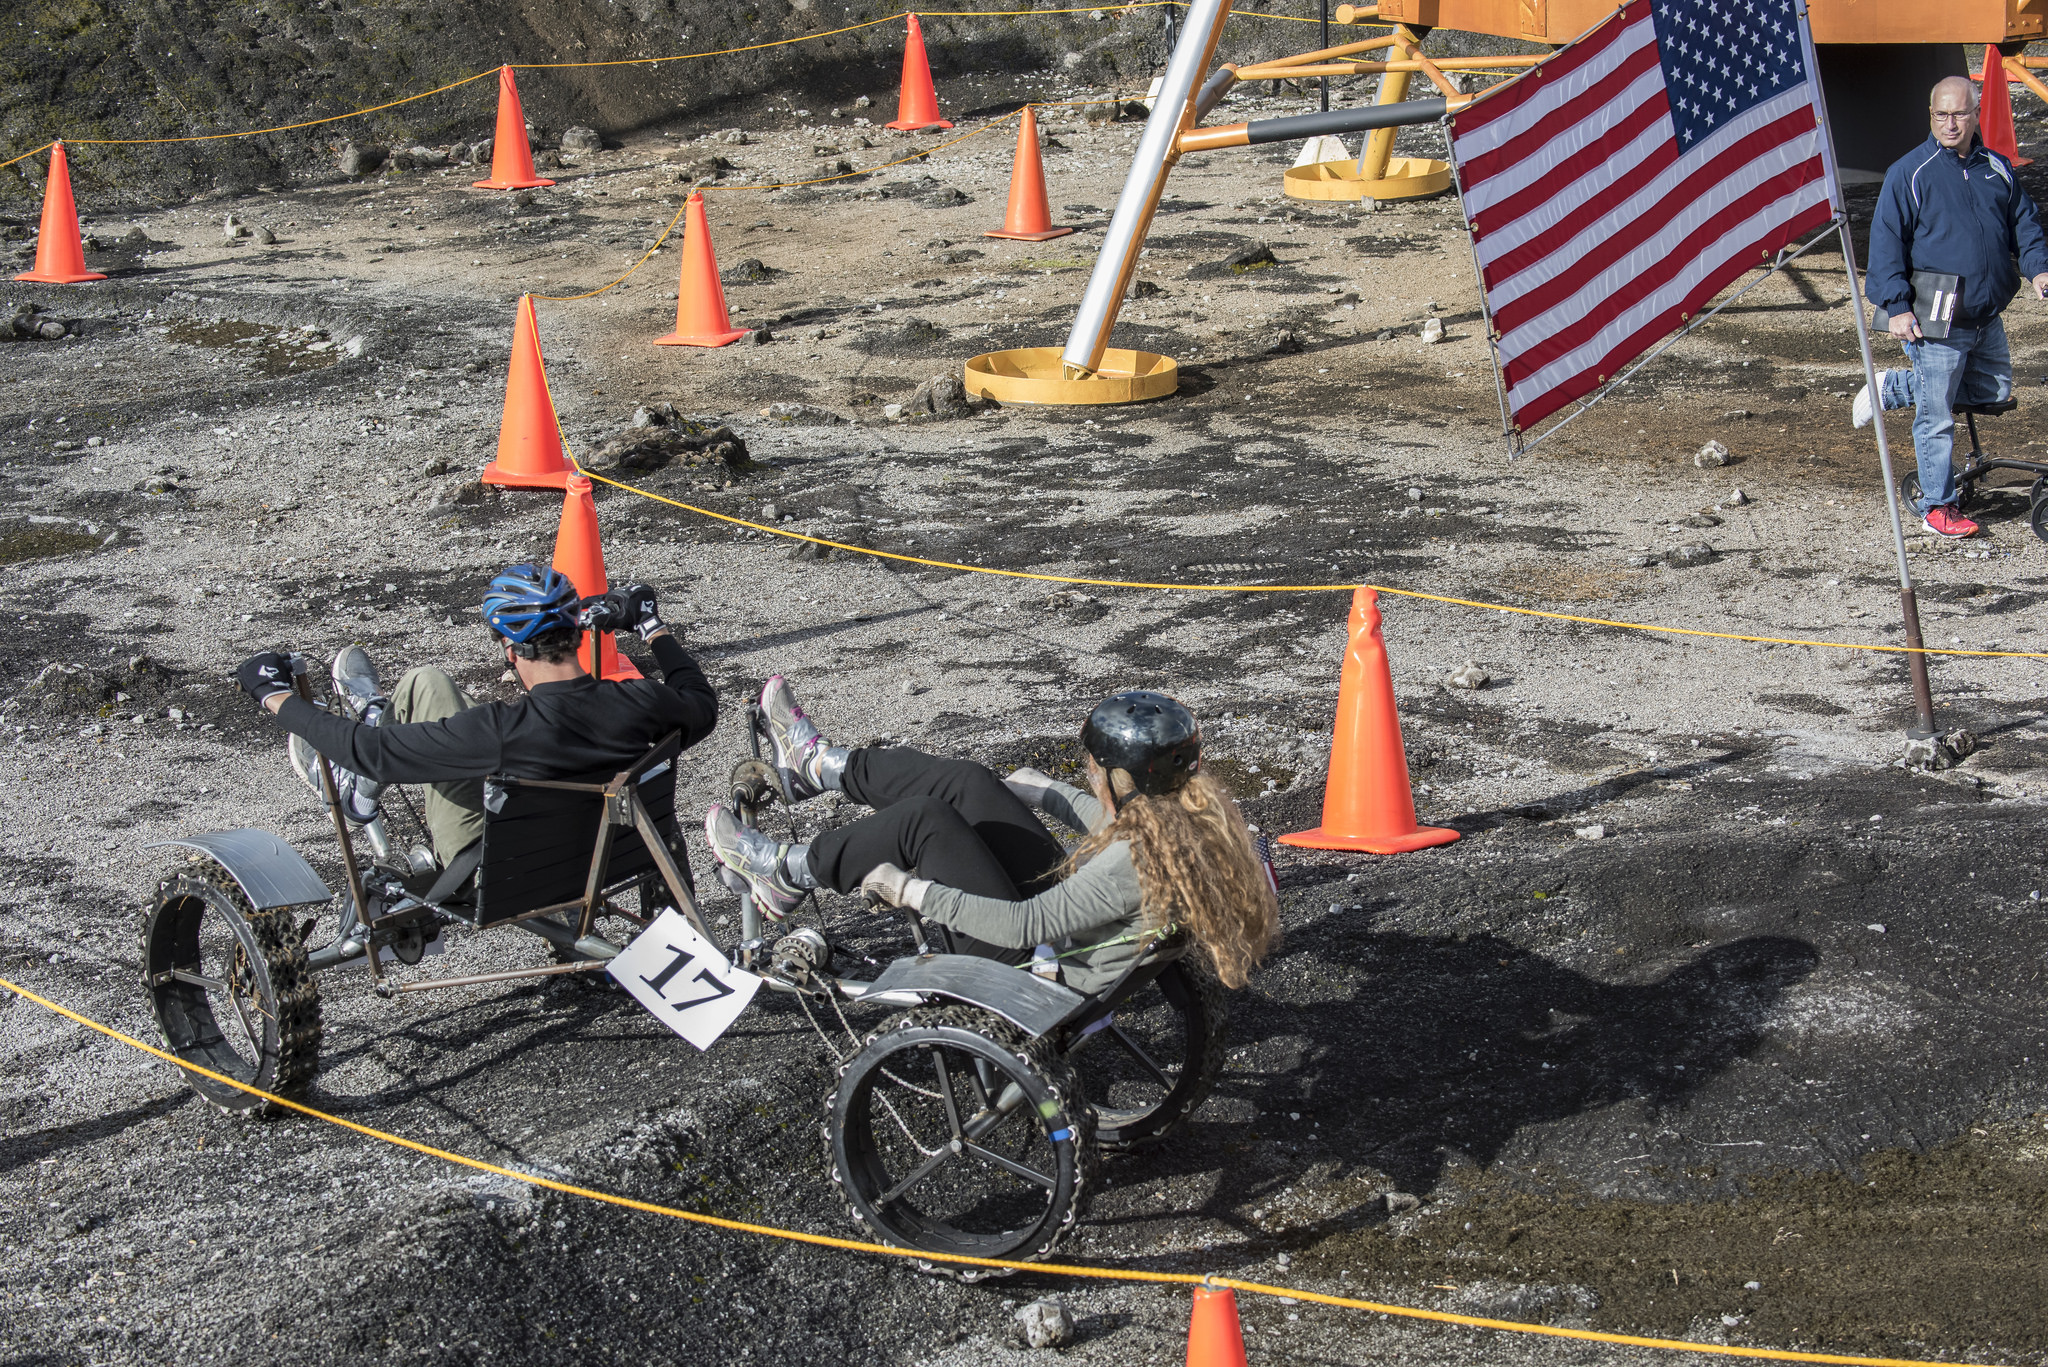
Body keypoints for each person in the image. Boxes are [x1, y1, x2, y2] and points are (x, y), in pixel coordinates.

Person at [703, 678, 1278, 993]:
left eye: (1092, 769)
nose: (1088, 773)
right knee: (969, 781)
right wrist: (1049, 793)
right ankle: (818, 765)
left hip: (1033, 965)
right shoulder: (1184, 819)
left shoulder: (1128, 866)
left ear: (1122, 778)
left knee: (922, 822)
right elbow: (1116, 826)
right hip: (1061, 932)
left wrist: (909, 892)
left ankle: (784, 873)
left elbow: (1021, 924)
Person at [235, 564, 717, 873]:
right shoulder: (644, 701)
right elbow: (700, 698)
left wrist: (275, 697)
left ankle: (354, 784)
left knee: (413, 707)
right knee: (429, 684)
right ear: (577, 631)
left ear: (511, 649)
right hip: (613, 856)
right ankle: (376, 726)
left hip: (508, 870)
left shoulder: (500, 730)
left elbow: (372, 752)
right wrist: (650, 626)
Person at [1856, 74, 2048, 539]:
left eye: (1958, 113)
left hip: (1985, 312)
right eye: (1940, 114)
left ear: (1975, 113)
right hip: (1933, 316)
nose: (1950, 122)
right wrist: (1897, 305)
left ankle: (1896, 388)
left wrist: (2038, 268)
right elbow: (1885, 243)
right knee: (1937, 415)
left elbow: (2024, 221)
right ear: (1930, 115)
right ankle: (1938, 506)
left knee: (1995, 393)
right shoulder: (1911, 172)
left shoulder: (1996, 167)